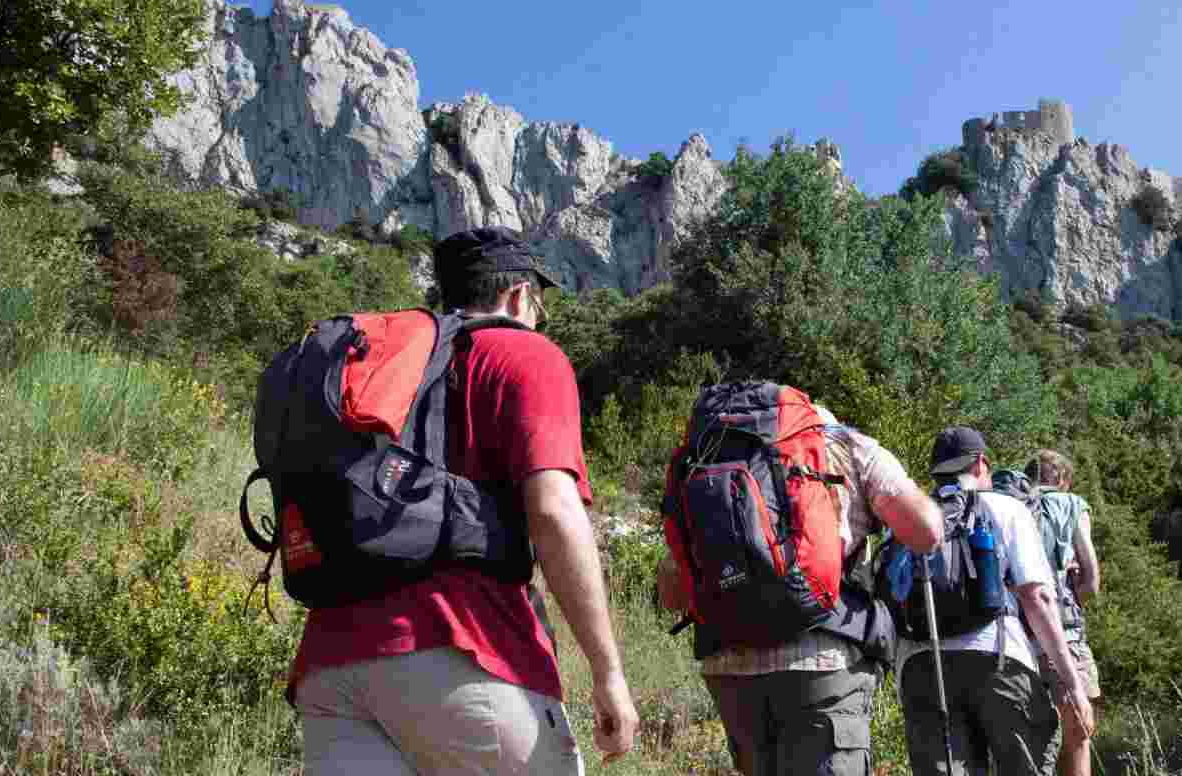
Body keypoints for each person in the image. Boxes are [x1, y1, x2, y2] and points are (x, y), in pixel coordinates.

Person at [288, 227, 637, 775]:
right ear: (519, 296)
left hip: (331, 666)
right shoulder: (525, 353)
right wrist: (607, 672)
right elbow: (553, 510)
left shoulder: (389, 366)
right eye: (540, 306)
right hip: (461, 648)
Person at [657, 403, 945, 776]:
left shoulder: (708, 456)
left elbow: (671, 595)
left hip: (728, 666)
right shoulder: (847, 445)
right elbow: (926, 531)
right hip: (822, 661)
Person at [897, 427, 1095, 776]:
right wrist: (1072, 682)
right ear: (981, 464)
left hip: (922, 667)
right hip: (999, 661)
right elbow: (1037, 597)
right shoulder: (1007, 508)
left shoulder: (909, 515)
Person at [1022, 449, 1102, 776]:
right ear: (1063, 479)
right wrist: (1071, 601)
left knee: (1026, 743)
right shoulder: (1072, 505)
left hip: (1017, 636)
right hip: (1065, 634)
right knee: (1078, 733)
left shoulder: (1011, 504)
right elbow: (1092, 581)